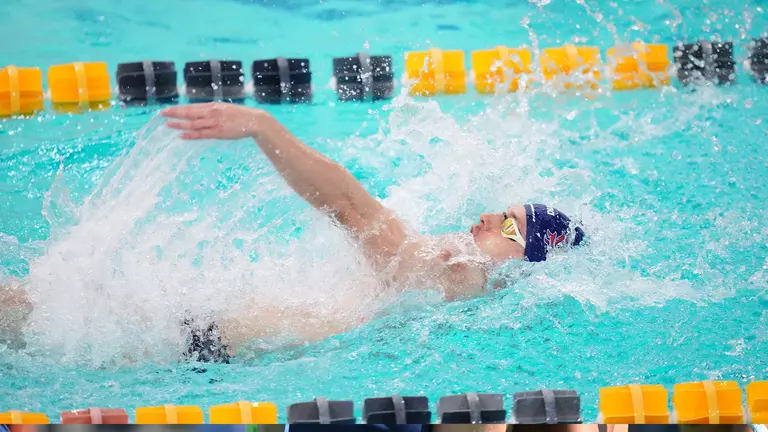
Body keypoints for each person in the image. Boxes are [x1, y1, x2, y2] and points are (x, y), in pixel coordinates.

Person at [0, 102, 585, 362]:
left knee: (30, 313)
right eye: (499, 209)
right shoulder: (460, 278)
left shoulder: (457, 277)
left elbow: (353, 211)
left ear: (526, 256)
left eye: (510, 224)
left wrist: (262, 126)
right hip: (209, 331)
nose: (487, 217)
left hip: (197, 339)